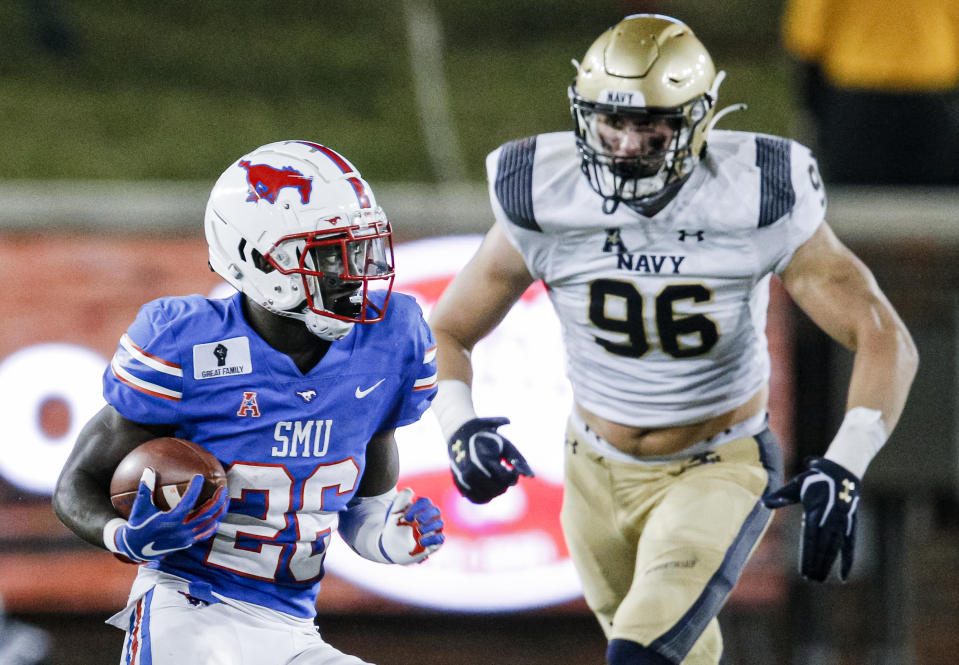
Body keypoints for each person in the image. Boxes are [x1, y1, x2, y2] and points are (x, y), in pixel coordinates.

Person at [428, 14, 918, 665]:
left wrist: (846, 462)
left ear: (696, 119)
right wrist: (457, 424)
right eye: (612, 122)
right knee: (678, 654)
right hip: (592, 469)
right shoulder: (543, 191)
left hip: (713, 465)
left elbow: (882, 335)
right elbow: (447, 327)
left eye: (649, 125)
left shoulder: (755, 193)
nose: (627, 145)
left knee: (640, 654)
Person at [53, 140, 445, 665]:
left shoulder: (391, 340)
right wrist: (125, 537)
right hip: (187, 611)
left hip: (293, 626)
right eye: (331, 254)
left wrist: (387, 537)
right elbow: (76, 483)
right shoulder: (185, 344)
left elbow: (363, 506)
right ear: (261, 259)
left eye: (360, 249)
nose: (355, 271)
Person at [782, 0, 959, 184]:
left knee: (854, 203)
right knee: (936, 203)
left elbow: (807, 41)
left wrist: (811, 110)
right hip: (933, 102)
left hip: (855, 104)